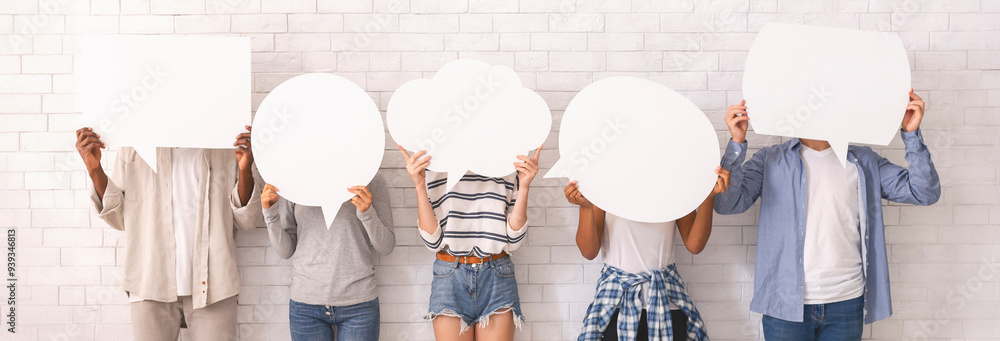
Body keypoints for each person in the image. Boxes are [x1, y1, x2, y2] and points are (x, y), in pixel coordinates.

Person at [714, 91, 940, 340]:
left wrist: (911, 135)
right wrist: (736, 144)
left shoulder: (863, 161)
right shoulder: (770, 159)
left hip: (846, 302)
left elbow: (923, 193)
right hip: (784, 305)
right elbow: (728, 204)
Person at [76, 125, 262, 341]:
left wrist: (245, 170)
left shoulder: (224, 143)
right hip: (149, 285)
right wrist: (94, 169)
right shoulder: (133, 145)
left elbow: (246, 220)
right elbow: (118, 217)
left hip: (215, 287)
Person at [398, 145, 540, 341]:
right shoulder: (434, 160)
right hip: (450, 276)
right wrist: (419, 184)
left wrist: (524, 186)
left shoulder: (508, 159)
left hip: (496, 275)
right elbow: (433, 242)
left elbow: (513, 241)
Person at [572, 167, 730, 341]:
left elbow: (695, 245)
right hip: (616, 305)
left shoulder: (674, 187)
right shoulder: (604, 187)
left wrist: (708, 197)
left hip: (667, 306)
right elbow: (589, 251)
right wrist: (585, 207)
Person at [260, 176, 395, 341]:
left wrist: (367, 214)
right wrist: (270, 215)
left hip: (359, 304)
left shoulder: (370, 176)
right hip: (306, 305)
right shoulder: (294, 177)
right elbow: (286, 251)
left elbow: (386, 246)